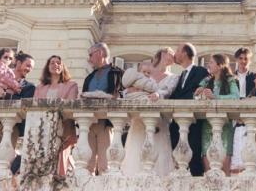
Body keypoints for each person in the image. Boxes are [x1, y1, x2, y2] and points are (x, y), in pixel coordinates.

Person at [122, 47, 178, 176]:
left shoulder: (173, 77)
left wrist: (158, 94)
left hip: (159, 122)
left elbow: (168, 91)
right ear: (163, 54)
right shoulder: (144, 70)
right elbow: (127, 89)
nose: (173, 57)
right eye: (171, 54)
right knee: (135, 155)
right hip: (139, 120)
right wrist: (131, 91)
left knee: (159, 156)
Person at [0, 51, 35, 173]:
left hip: (12, 127)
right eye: (27, 65)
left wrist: (4, 94)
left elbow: (23, 104)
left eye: (31, 67)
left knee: (4, 164)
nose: (29, 69)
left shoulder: (29, 87)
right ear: (18, 62)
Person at [195, 54, 239, 175]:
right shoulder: (206, 80)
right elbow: (195, 98)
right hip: (207, 125)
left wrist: (215, 97)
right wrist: (198, 93)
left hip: (224, 126)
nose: (208, 65)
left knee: (224, 170)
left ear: (220, 65)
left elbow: (235, 98)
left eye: (211, 62)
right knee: (207, 168)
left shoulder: (230, 80)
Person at [82, 42, 123, 175]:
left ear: (100, 53)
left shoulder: (117, 73)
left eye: (90, 54)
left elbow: (121, 95)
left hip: (107, 123)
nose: (89, 58)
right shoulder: (89, 77)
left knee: (106, 165)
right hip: (88, 123)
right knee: (87, 164)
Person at [34, 55, 78, 176]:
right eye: (52, 63)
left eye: (58, 63)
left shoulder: (71, 85)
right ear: (48, 67)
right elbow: (35, 107)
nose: (55, 65)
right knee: (41, 159)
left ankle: (60, 183)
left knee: (61, 159)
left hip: (63, 128)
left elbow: (70, 105)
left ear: (63, 66)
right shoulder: (40, 87)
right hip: (43, 128)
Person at [169, 43, 209, 176]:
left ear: (185, 53)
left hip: (193, 122)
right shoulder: (180, 75)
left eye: (177, 51)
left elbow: (199, 94)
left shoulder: (200, 71)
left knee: (194, 158)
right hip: (177, 123)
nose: (175, 54)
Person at [231, 47, 256, 173]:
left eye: (246, 59)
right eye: (240, 58)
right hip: (233, 117)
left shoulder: (255, 77)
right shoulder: (230, 77)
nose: (243, 61)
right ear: (236, 59)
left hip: (249, 117)